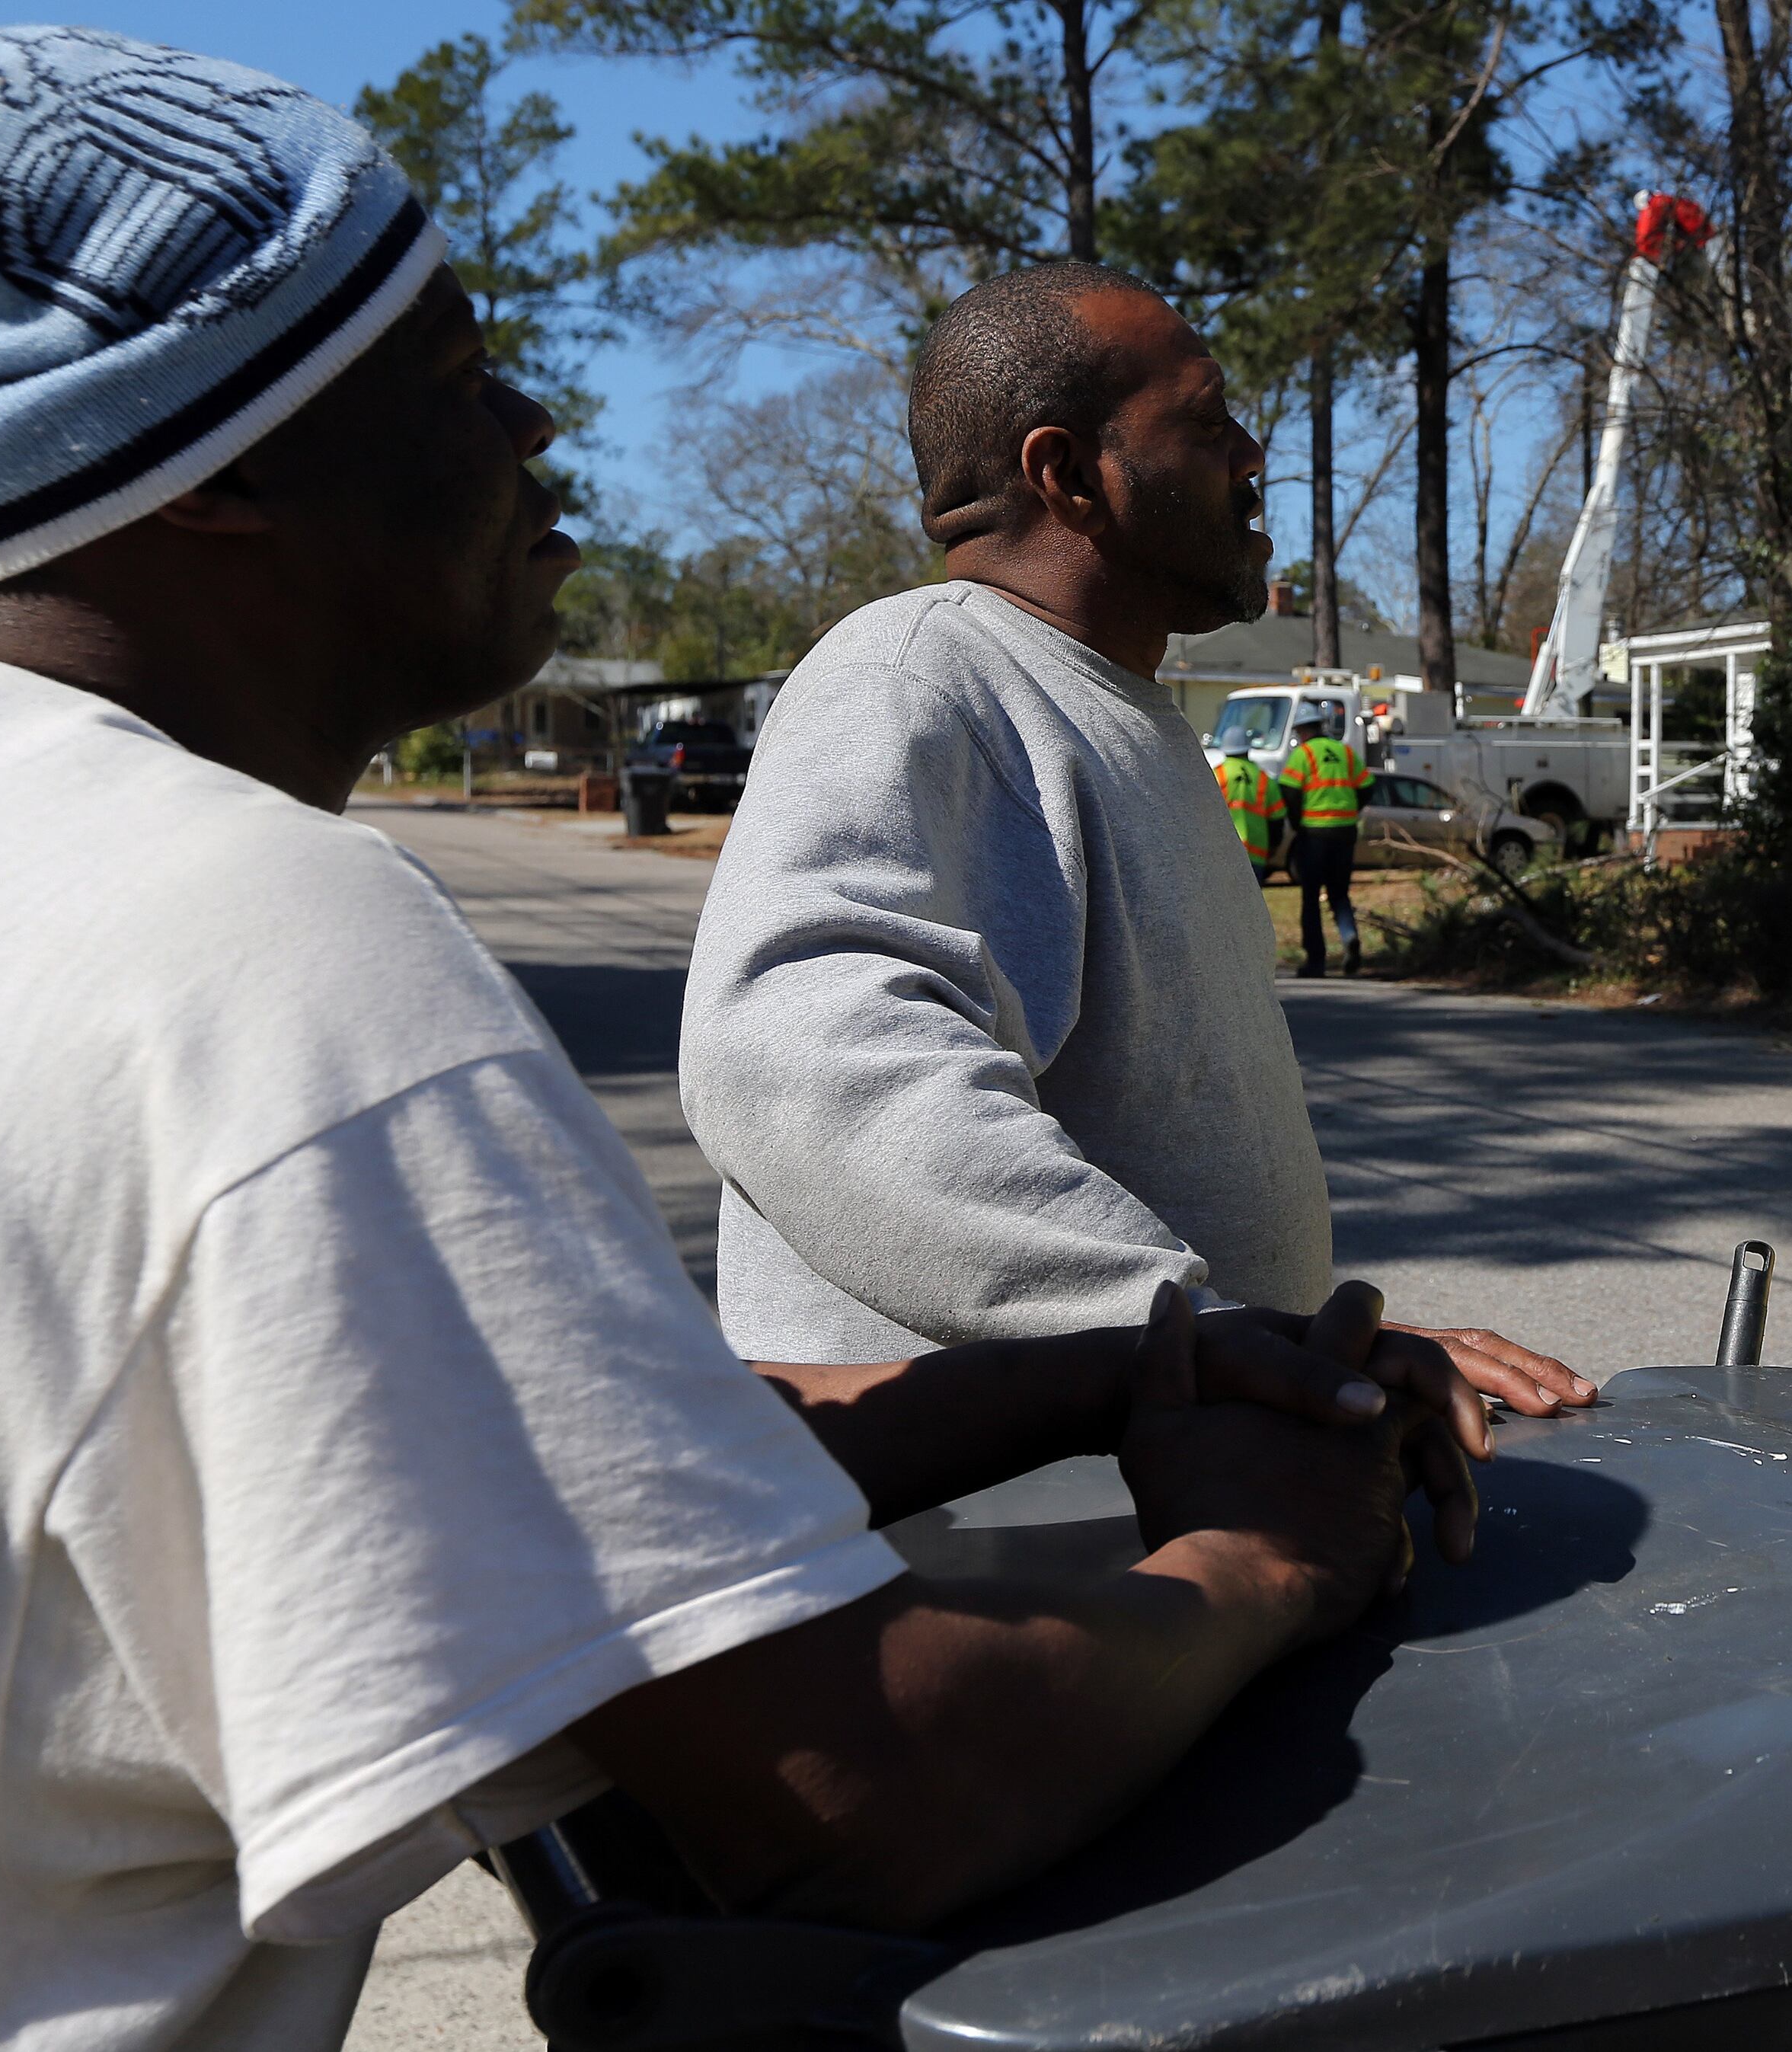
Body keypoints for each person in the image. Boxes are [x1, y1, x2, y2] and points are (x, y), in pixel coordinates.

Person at [0, 34, 1485, 2050]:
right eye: (457, 368)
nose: (541, 419)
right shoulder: (234, 942)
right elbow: (842, 1799)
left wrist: (1120, 1362)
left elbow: (521, 1449)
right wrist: (1270, 1553)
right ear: (205, 462)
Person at [681, 264, 1594, 1414]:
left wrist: (1271, 1350)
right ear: (1065, 474)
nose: (1253, 455)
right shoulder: (917, 675)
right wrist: (1210, 1340)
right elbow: (806, 1068)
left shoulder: (1112, 710)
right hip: (1006, 1541)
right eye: (1208, 422)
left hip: (1161, 1473)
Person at [1277, 701, 1372, 977]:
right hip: (1345, 832)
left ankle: (1316, 961)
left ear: (1304, 731)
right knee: (1339, 894)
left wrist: (1297, 823)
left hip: (1315, 834)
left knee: (1310, 898)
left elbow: (1290, 791)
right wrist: (1351, 809)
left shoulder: (1304, 755)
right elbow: (1367, 786)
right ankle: (1349, 936)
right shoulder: (1345, 752)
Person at [1216, 733, 1283, 883]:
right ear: (1247, 749)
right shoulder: (1264, 778)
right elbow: (1278, 818)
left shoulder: (1217, 774)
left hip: (1225, 853)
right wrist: (1273, 847)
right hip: (1256, 853)